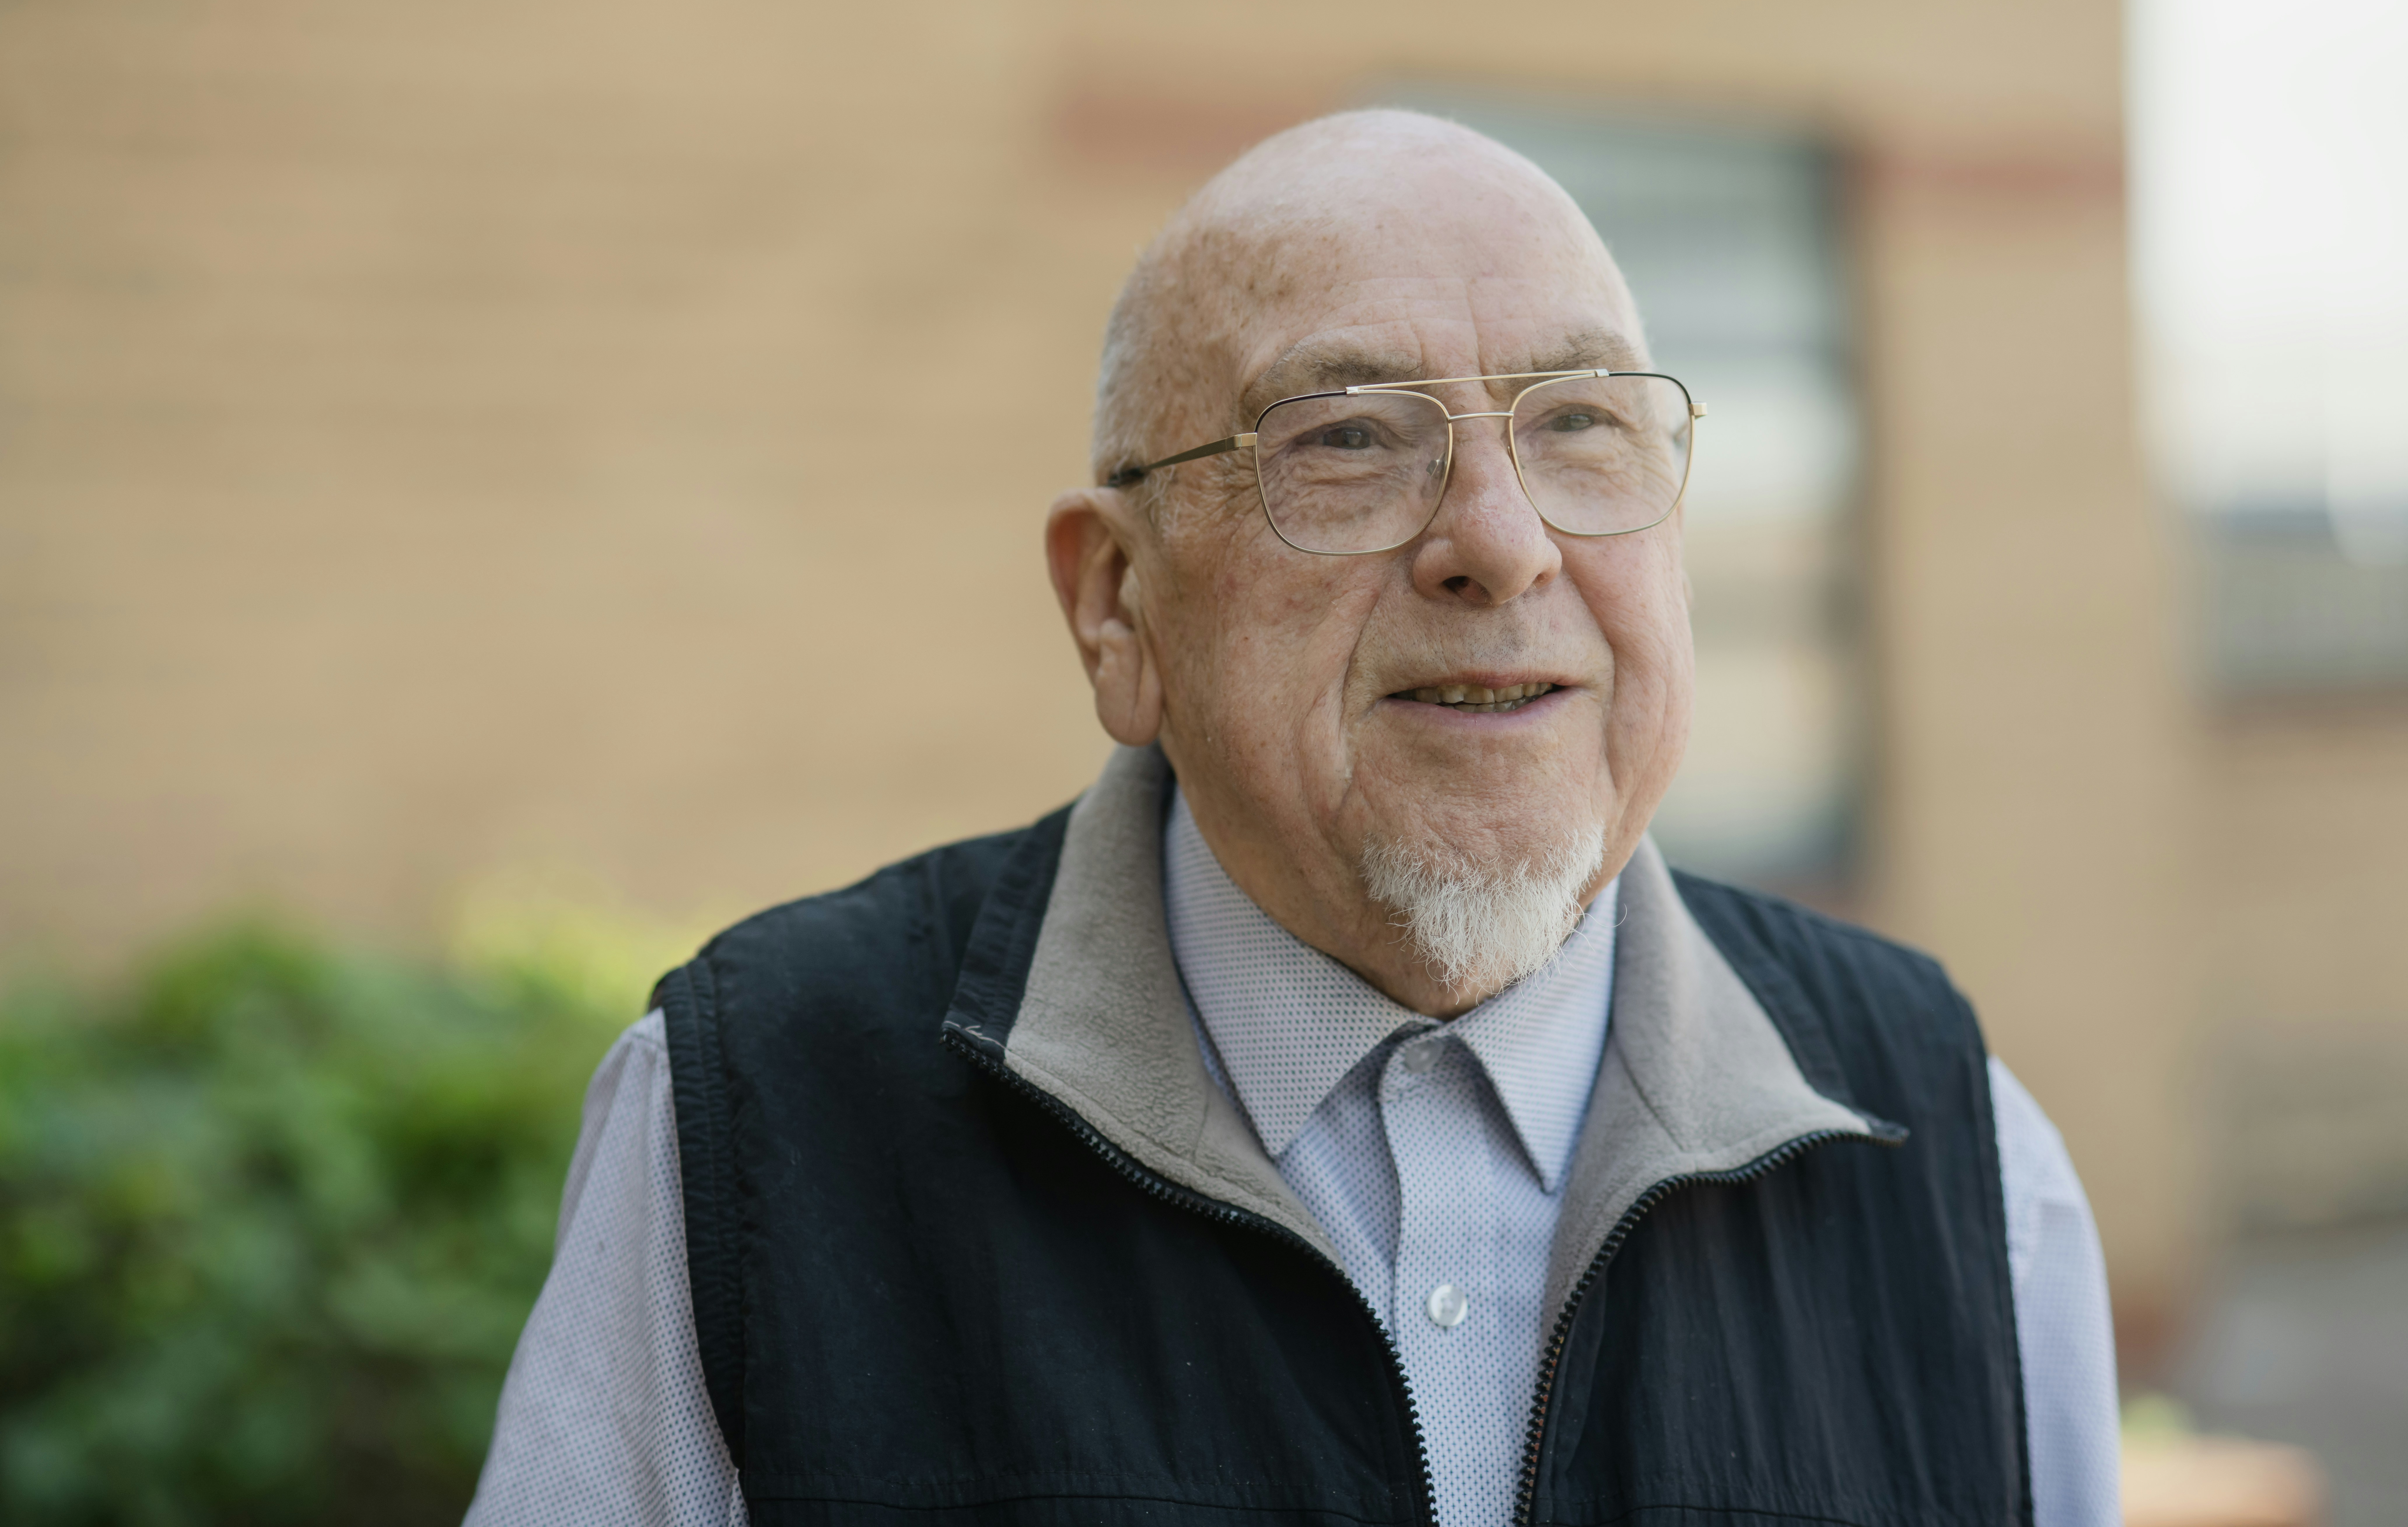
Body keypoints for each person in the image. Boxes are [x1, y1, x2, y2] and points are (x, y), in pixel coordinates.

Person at [465, 111, 2120, 1527]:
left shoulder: (1965, 1157)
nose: (1504, 543)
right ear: (1118, 606)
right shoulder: (756, 1126)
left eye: (1583, 427)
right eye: (1347, 442)